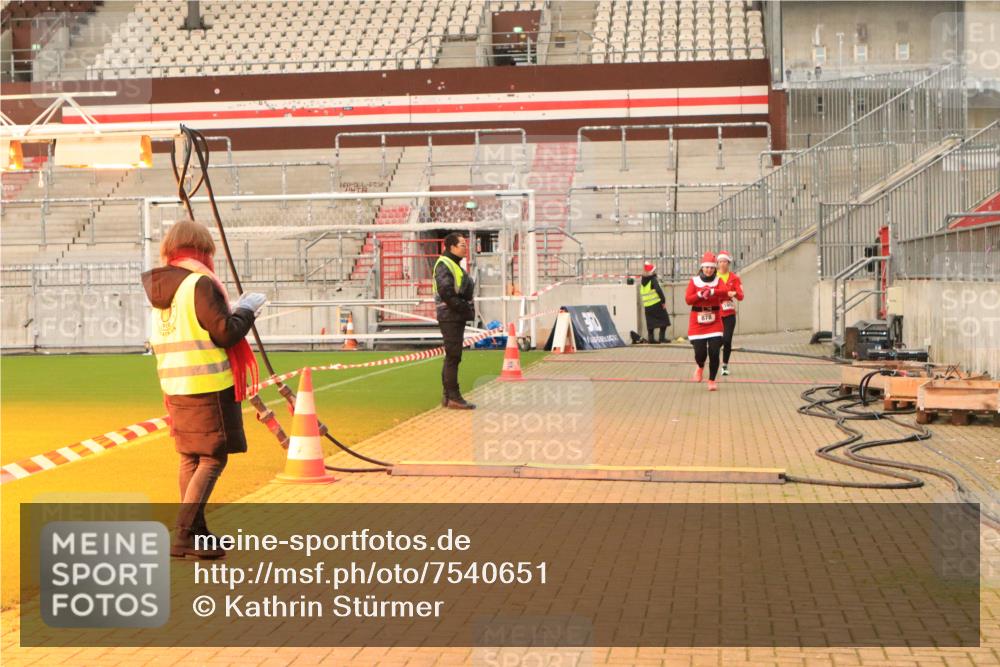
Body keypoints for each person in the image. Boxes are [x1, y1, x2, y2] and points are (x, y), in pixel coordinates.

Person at [142, 220, 267, 559]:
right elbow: (224, 332)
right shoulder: (198, 283)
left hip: (176, 386)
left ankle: (197, 534)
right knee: (212, 457)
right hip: (208, 384)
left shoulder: (162, 289)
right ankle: (184, 532)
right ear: (201, 250)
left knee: (190, 458)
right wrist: (247, 310)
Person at [434, 232, 476, 409]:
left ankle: (448, 396)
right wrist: (464, 308)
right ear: (451, 247)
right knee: (453, 356)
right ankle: (453, 396)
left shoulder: (453, 264)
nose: (465, 247)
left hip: (453, 314)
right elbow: (447, 292)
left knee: (453, 356)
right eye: (462, 245)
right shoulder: (445, 264)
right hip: (450, 315)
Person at [685, 251, 725, 391]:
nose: (709, 270)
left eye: (711, 268)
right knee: (700, 353)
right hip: (698, 323)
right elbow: (688, 300)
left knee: (714, 352)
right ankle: (700, 366)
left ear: (715, 268)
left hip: (715, 322)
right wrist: (699, 294)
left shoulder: (718, 281)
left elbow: (725, 292)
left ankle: (712, 380)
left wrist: (713, 291)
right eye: (706, 267)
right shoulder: (694, 281)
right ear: (702, 267)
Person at [716, 250, 744, 376]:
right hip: (716, 313)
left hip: (729, 314)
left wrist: (735, 293)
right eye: (720, 261)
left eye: (725, 262)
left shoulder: (735, 278)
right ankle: (713, 361)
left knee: (727, 340)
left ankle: (725, 365)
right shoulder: (713, 277)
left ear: (729, 263)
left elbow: (741, 295)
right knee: (716, 341)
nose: (722, 264)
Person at [640, 262, 670, 344]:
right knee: (664, 320)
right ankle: (662, 338)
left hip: (647, 306)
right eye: (654, 271)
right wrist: (663, 301)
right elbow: (658, 290)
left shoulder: (643, 281)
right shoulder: (652, 279)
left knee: (650, 323)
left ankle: (651, 339)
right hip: (656, 304)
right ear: (651, 272)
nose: (655, 272)